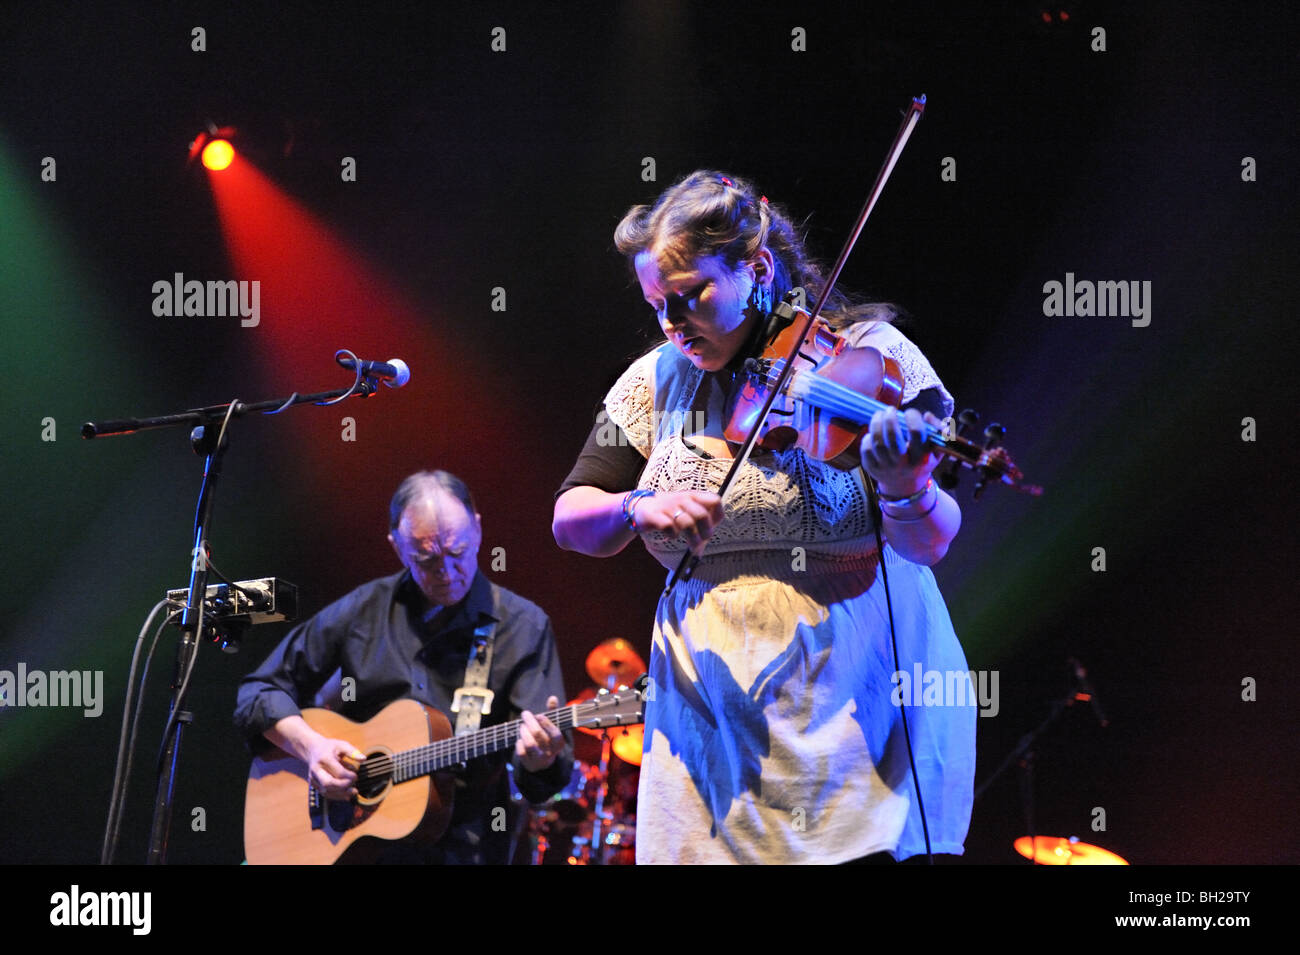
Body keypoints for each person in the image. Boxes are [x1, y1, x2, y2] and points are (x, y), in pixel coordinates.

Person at [552, 171, 975, 864]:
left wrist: (907, 487)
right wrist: (637, 506)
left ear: (757, 267)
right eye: (658, 305)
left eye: (690, 295)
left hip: (858, 719)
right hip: (711, 732)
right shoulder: (653, 379)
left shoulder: (867, 357)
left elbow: (932, 540)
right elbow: (571, 517)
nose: (671, 322)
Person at [235, 469, 572, 864]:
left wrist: (540, 759)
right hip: (354, 850)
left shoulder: (524, 626)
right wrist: (312, 749)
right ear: (397, 547)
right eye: (426, 560)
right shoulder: (362, 611)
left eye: (458, 552)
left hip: (466, 849)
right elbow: (256, 694)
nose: (447, 573)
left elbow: (545, 780)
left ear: (478, 530)